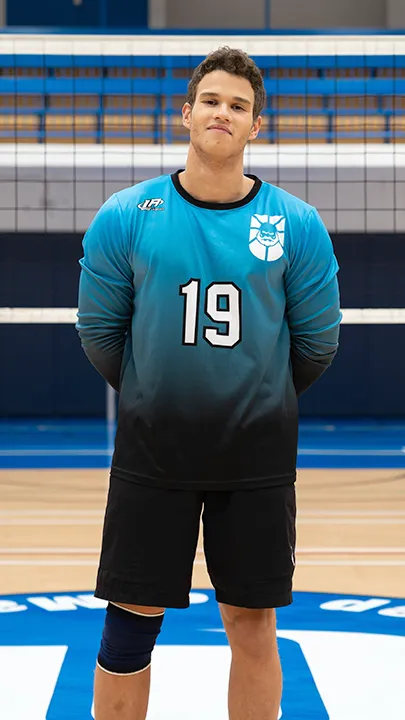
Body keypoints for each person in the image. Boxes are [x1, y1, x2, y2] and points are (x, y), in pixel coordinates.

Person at [76, 46, 341, 720]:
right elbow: (101, 333)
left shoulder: (295, 225)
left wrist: (254, 401)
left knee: (252, 626)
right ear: (185, 113)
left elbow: (316, 344)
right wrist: (154, 393)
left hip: (254, 459)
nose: (223, 112)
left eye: (239, 106)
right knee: (129, 626)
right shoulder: (126, 216)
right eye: (212, 101)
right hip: (153, 453)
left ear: (257, 127)